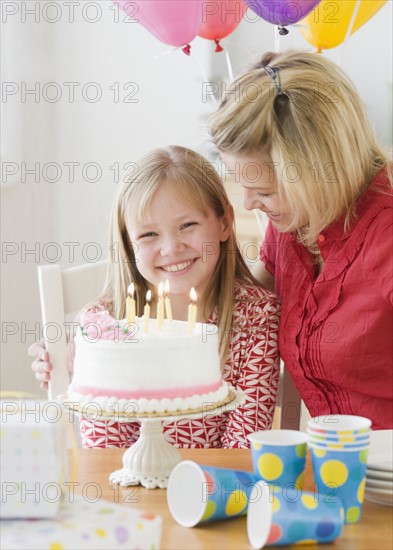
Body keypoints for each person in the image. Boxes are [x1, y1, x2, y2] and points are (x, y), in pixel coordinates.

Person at [29, 145, 280, 448]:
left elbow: (243, 450)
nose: (171, 248)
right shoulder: (104, 327)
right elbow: (107, 454)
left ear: (225, 222)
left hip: (219, 490)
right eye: (149, 234)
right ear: (128, 243)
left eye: (187, 225)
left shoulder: (257, 316)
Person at [210, 50, 393, 429]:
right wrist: (92, 346)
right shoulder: (295, 223)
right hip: (340, 469)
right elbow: (236, 306)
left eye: (264, 190)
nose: (248, 203)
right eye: (243, 185)